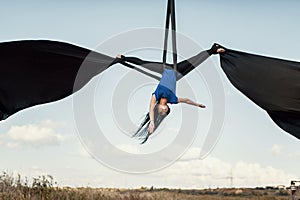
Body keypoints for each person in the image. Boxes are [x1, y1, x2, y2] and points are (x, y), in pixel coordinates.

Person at [116, 44, 225, 143]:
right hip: (177, 72)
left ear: (158, 107)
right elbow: (186, 100)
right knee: (194, 62)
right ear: (167, 108)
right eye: (166, 111)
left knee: (142, 63)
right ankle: (213, 50)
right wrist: (197, 104)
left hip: (165, 69)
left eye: (161, 111)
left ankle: (123, 58)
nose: (164, 110)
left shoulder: (156, 96)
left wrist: (152, 122)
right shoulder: (172, 99)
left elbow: (150, 107)